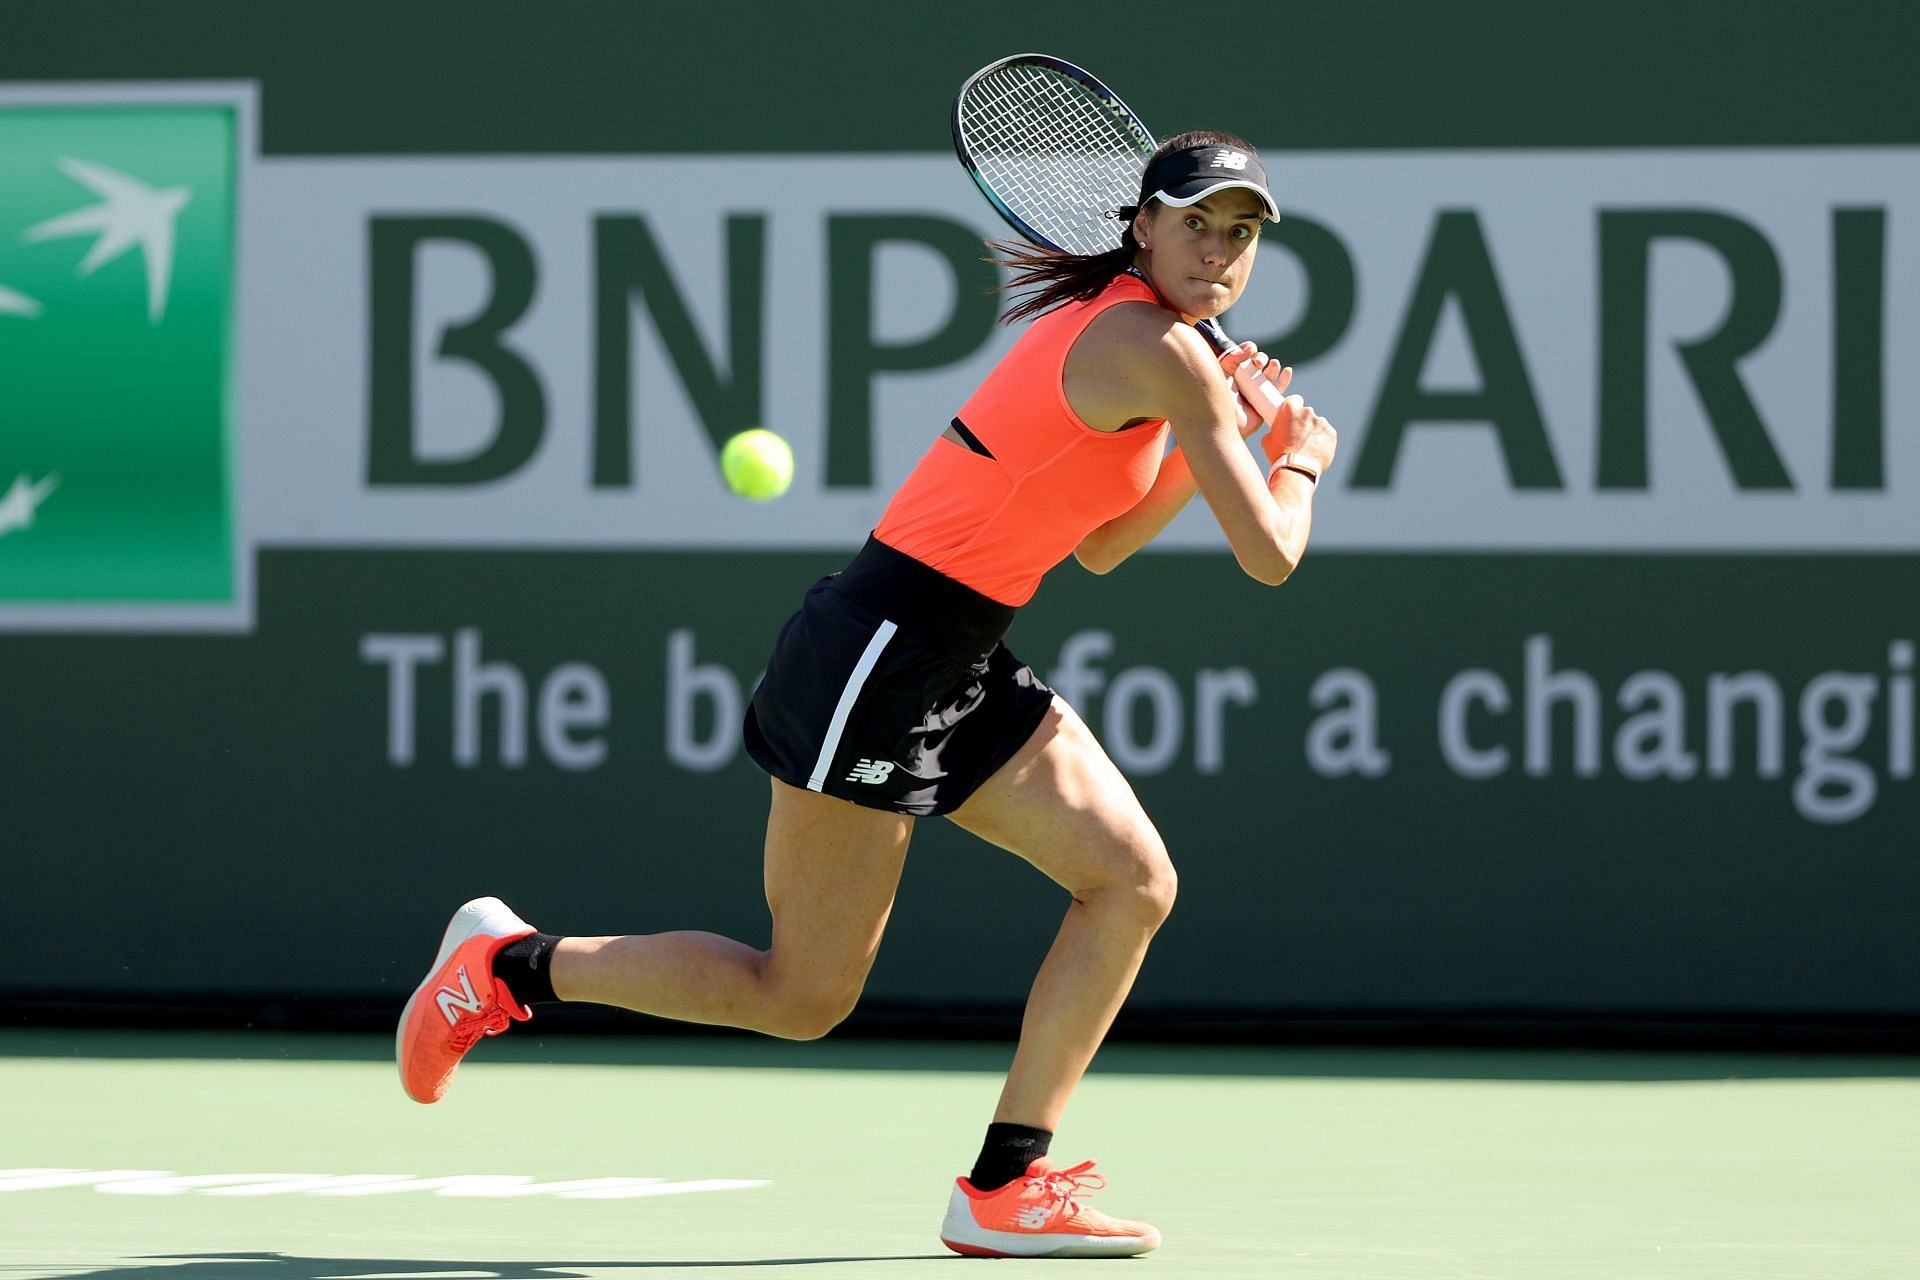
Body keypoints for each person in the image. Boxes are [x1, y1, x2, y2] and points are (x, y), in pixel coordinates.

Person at [395, 130, 1337, 1259]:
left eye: (1240, 234)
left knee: (1132, 882)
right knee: (801, 993)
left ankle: (1005, 1184)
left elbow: (1101, 546)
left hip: (959, 651)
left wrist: (1205, 443)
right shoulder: (1162, 350)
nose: (1220, 251)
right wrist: (1297, 456)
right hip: (879, 652)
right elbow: (1273, 554)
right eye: (1197, 223)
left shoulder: (1158, 352)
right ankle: (506, 967)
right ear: (1139, 225)